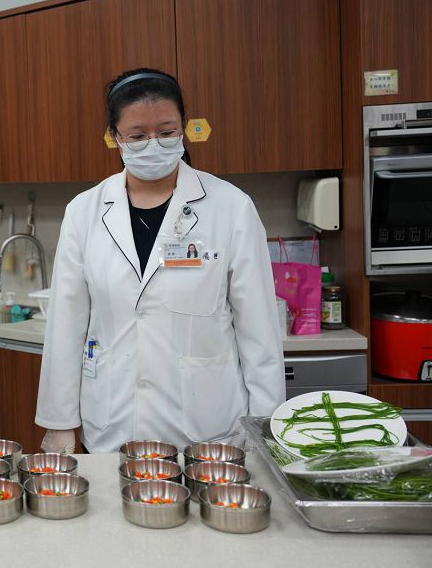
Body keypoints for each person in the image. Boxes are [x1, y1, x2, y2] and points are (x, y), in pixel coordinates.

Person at [35, 68, 284, 454]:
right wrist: (59, 422)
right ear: (115, 136)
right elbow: (66, 326)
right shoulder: (84, 212)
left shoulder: (231, 207)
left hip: (207, 432)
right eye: (137, 136)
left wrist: (265, 430)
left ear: (184, 128)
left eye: (166, 132)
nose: (153, 145)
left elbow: (259, 332)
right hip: (112, 424)